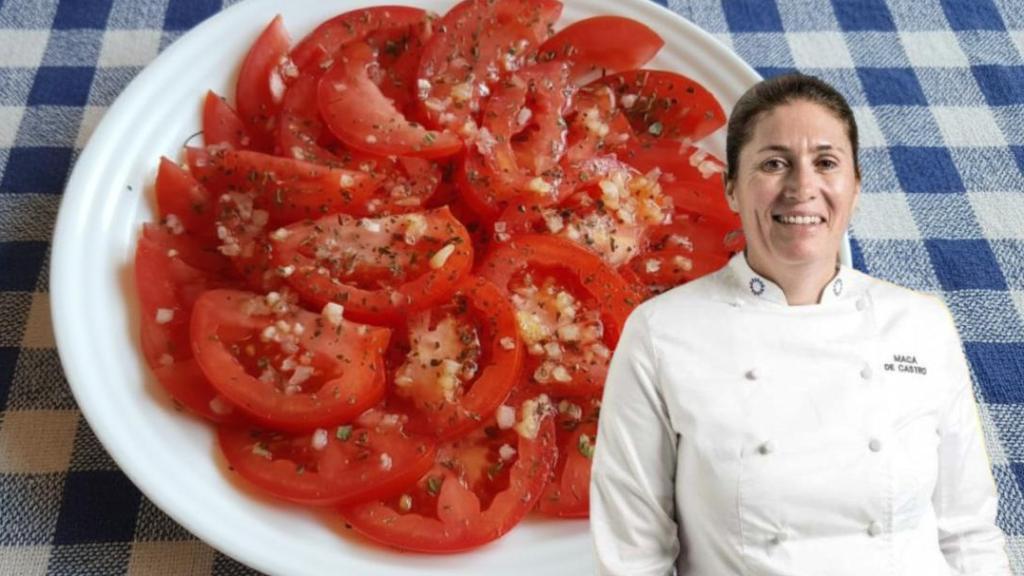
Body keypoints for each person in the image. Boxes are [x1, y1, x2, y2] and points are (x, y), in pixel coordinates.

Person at [589, 74, 1011, 576]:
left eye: (826, 163)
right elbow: (633, 557)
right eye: (773, 163)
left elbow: (968, 533)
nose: (802, 188)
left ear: (854, 188)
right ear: (730, 187)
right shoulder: (661, 334)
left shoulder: (921, 325)